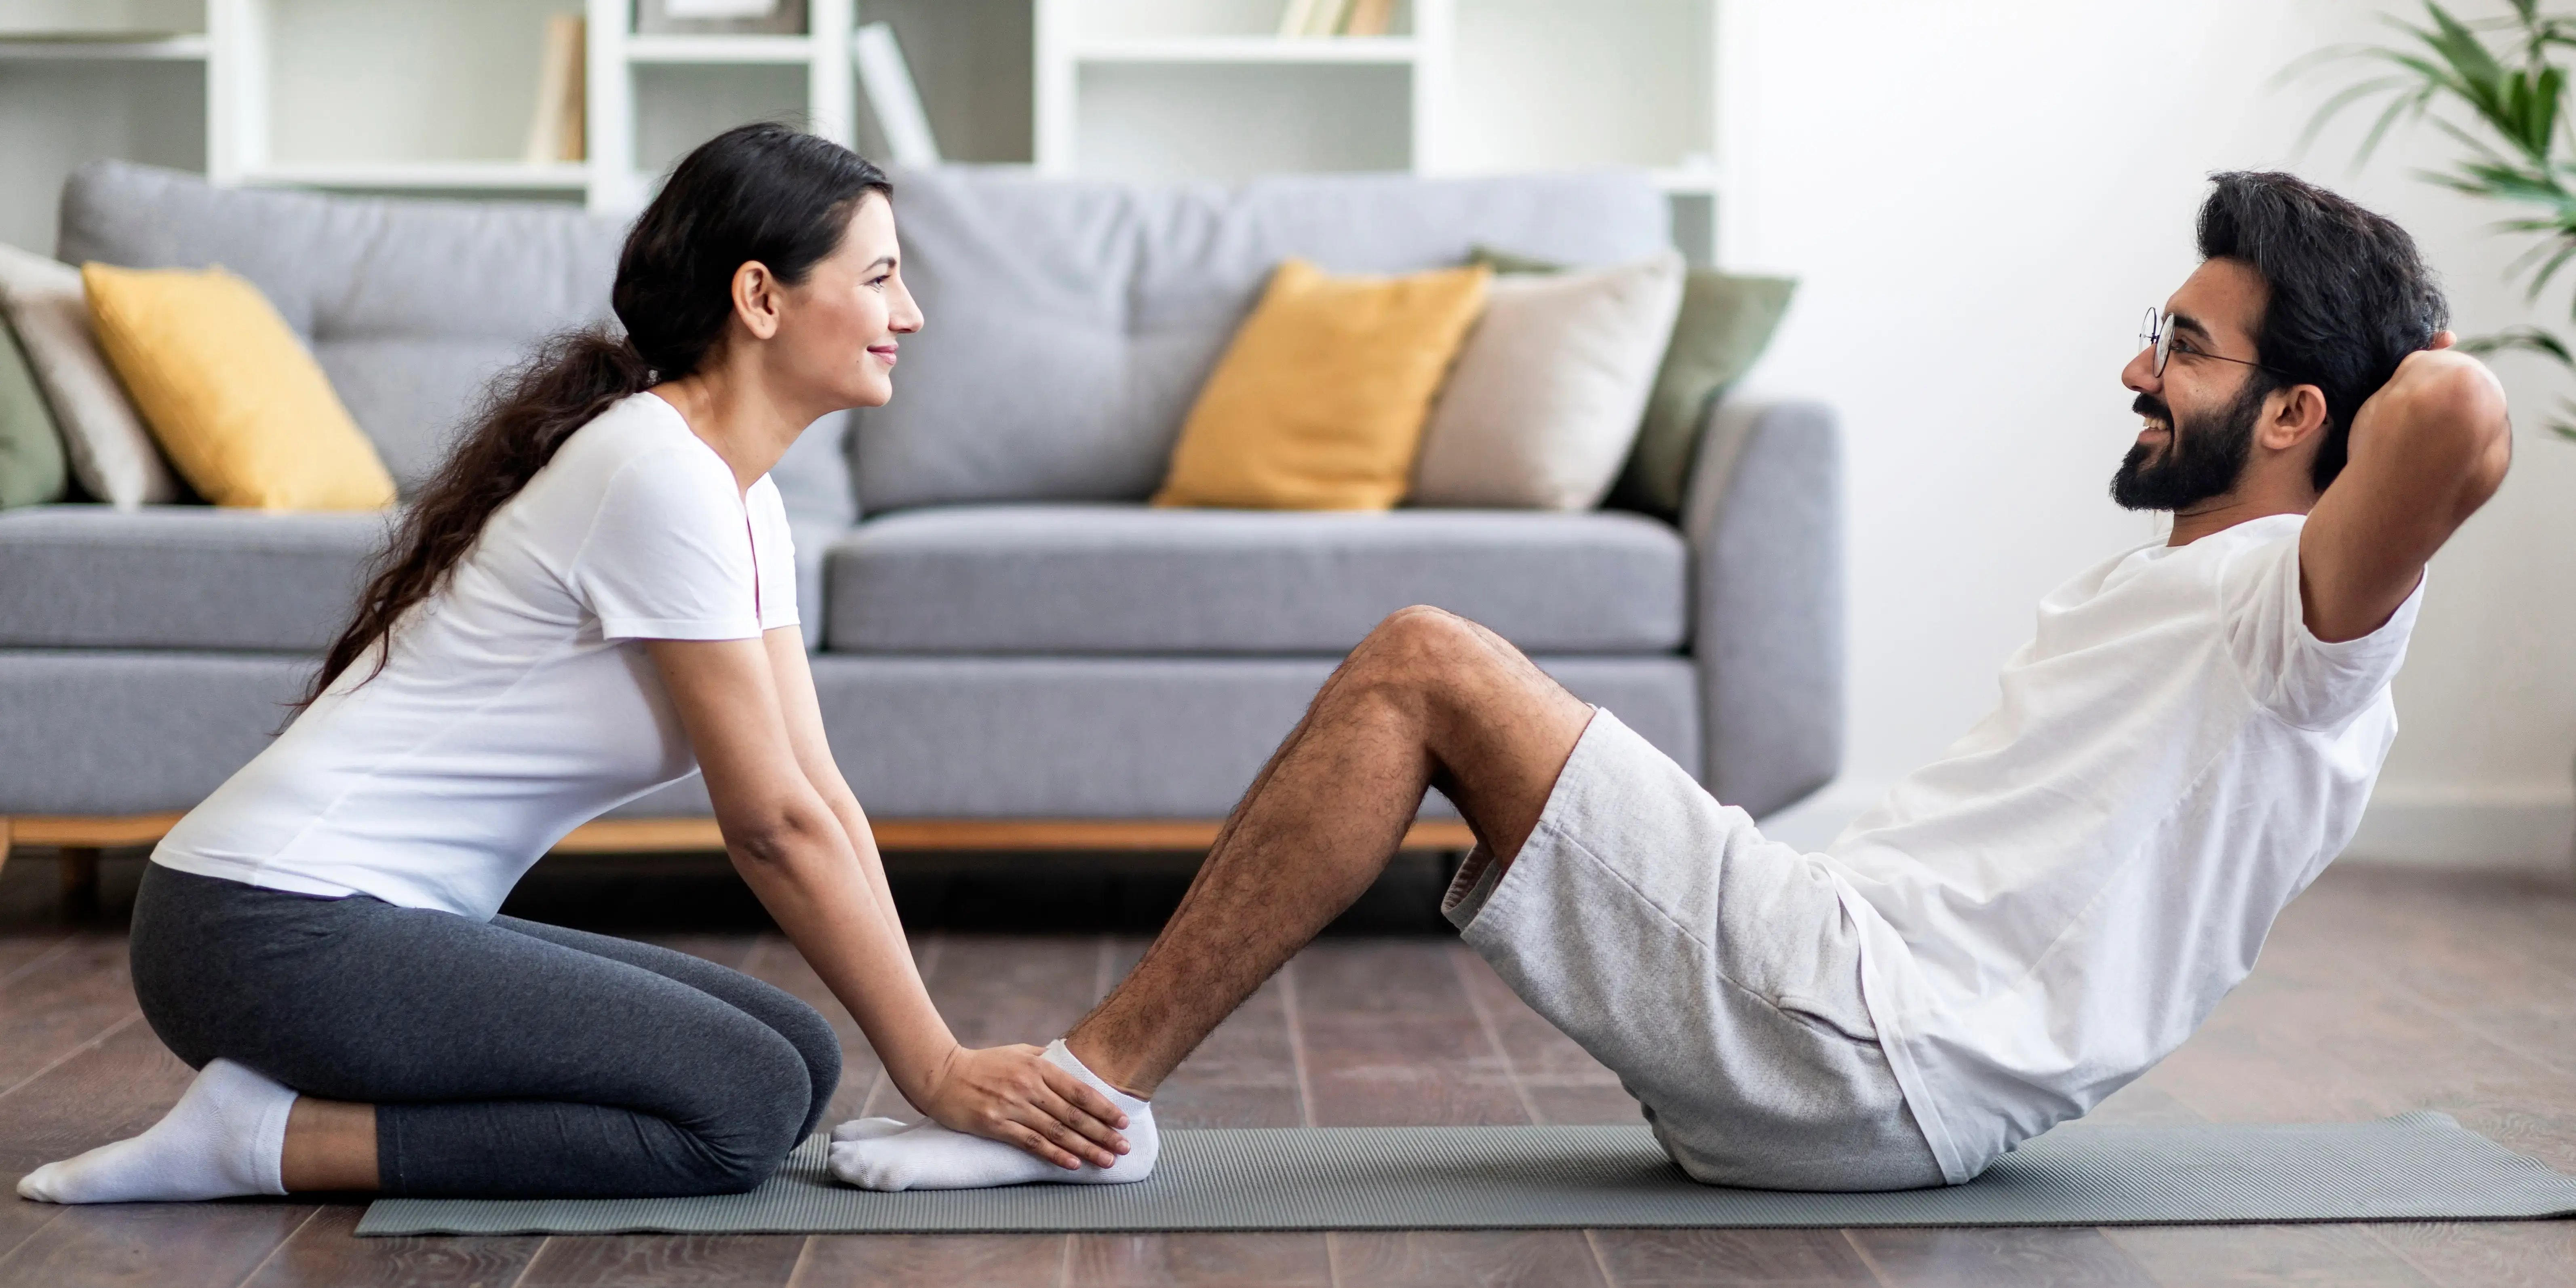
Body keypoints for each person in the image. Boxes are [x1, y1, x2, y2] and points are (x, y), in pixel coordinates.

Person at [831, 171, 2512, 1192]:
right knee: (1435, 669)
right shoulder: (2192, 588)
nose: (2136, 369)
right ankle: (1083, 1087)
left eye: (2188, 348)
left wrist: (2377, 341)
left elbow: (2457, 419)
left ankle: (1075, 1097)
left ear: (2297, 414)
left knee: (1424, 661)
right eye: (2156, 326)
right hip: (1849, 1004)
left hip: (1869, 1038)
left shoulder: (2300, 630)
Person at [17, 123, 1146, 1205]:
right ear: (761, 296)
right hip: (261, 930)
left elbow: (816, 792)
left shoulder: (741, 497)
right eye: (881, 276)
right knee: (743, 1103)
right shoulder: (655, 473)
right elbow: (769, 826)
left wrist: (932, 1055)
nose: (911, 311)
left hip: (348, 925)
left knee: (797, 1054)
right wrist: (938, 1069)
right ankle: (262, 1138)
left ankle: (273, 1114)